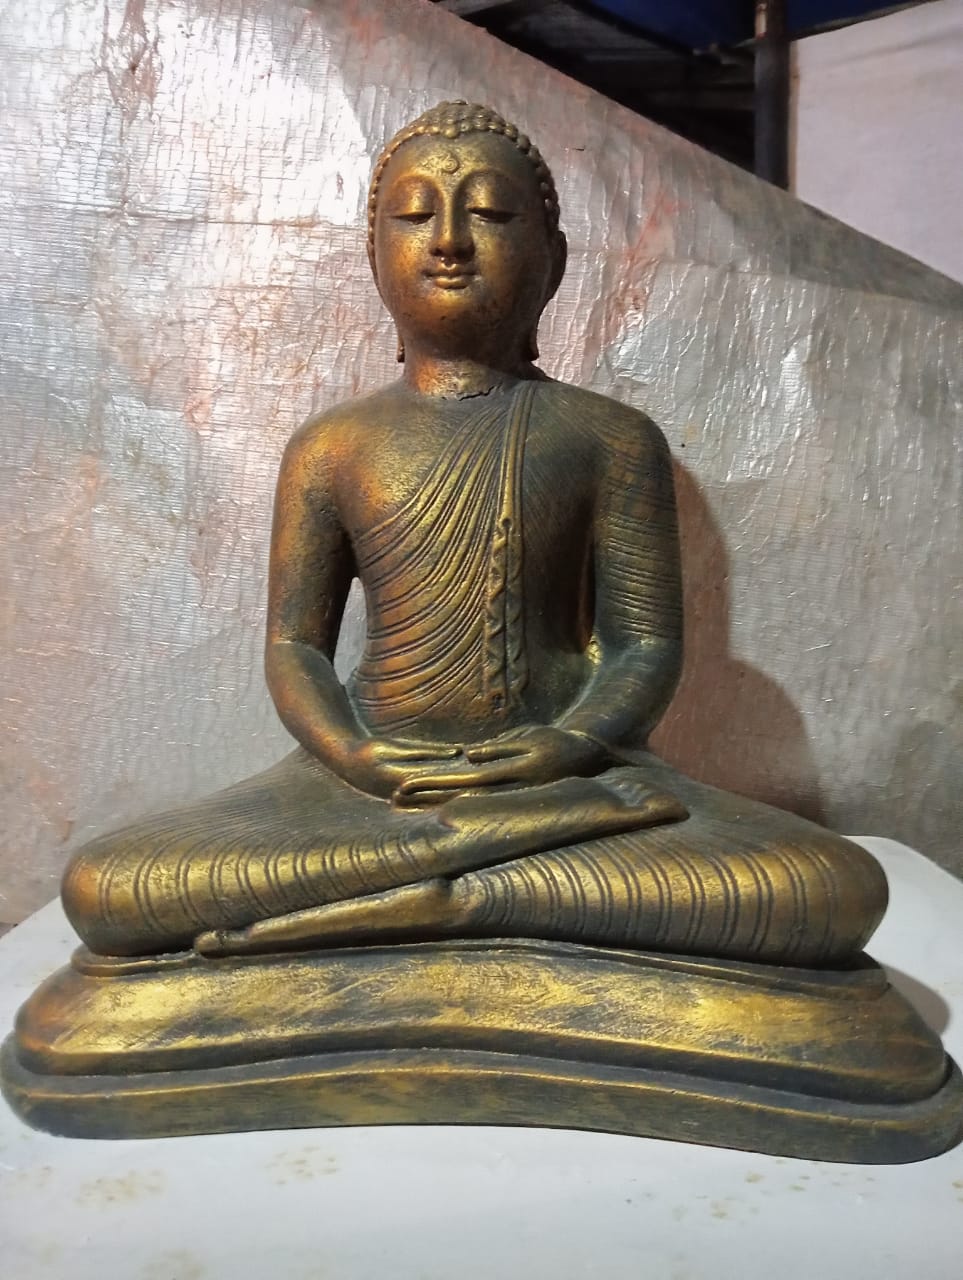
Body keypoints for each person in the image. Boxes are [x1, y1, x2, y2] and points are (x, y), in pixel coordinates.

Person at [61, 102, 887, 966]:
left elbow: (641, 646)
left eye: (489, 212)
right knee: (112, 888)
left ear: (551, 261)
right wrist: (356, 755)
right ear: (373, 256)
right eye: (415, 215)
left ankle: (426, 893)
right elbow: (294, 647)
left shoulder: (607, 437)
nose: (450, 240)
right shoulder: (331, 446)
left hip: (567, 783)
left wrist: (568, 743)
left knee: (825, 889)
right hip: (368, 788)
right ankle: (471, 891)